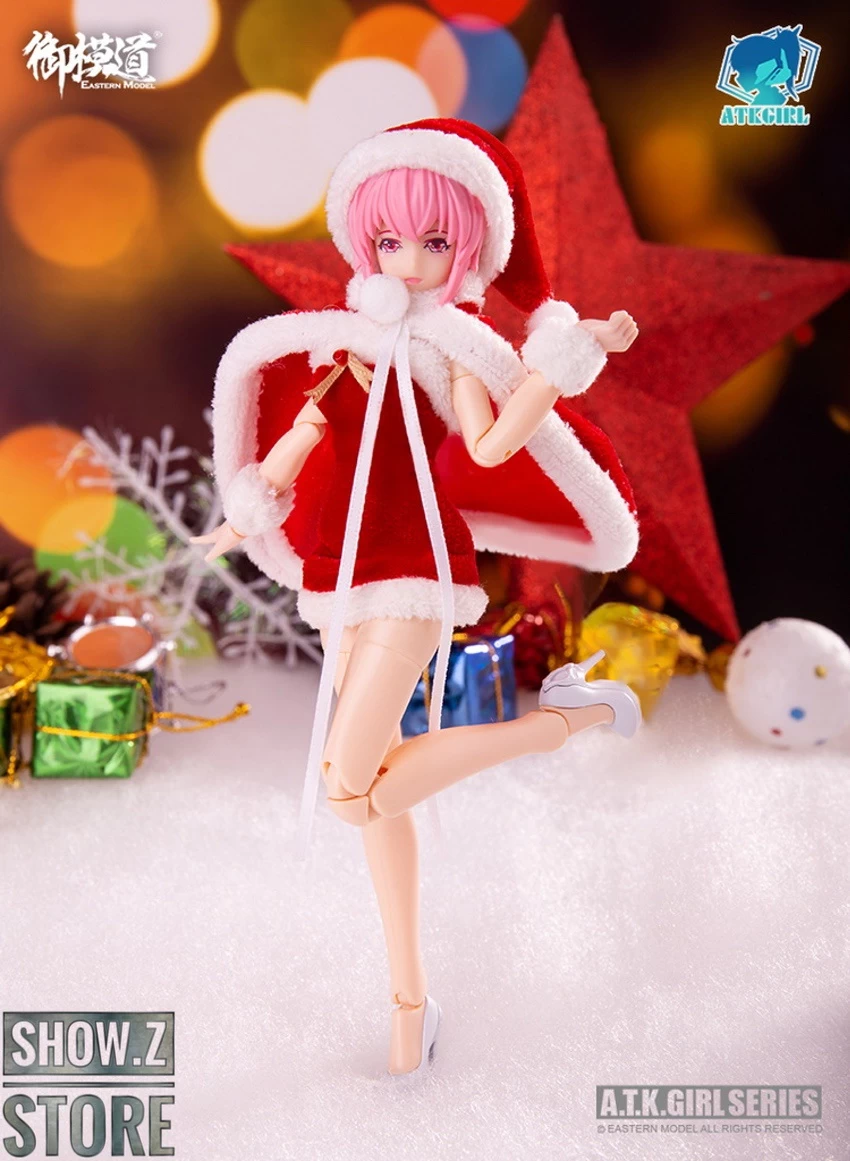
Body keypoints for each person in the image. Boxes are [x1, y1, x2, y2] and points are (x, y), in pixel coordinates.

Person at [193, 117, 641, 1078]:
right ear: (363, 242)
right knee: (373, 797)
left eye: (433, 241)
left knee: (346, 787)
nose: (408, 258)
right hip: (342, 575)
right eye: (390, 238)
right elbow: (298, 443)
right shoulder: (344, 343)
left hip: (415, 571)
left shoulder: (452, 347)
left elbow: (491, 446)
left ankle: (565, 721)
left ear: (466, 249)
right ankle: (410, 1000)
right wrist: (243, 512)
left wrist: (560, 364)